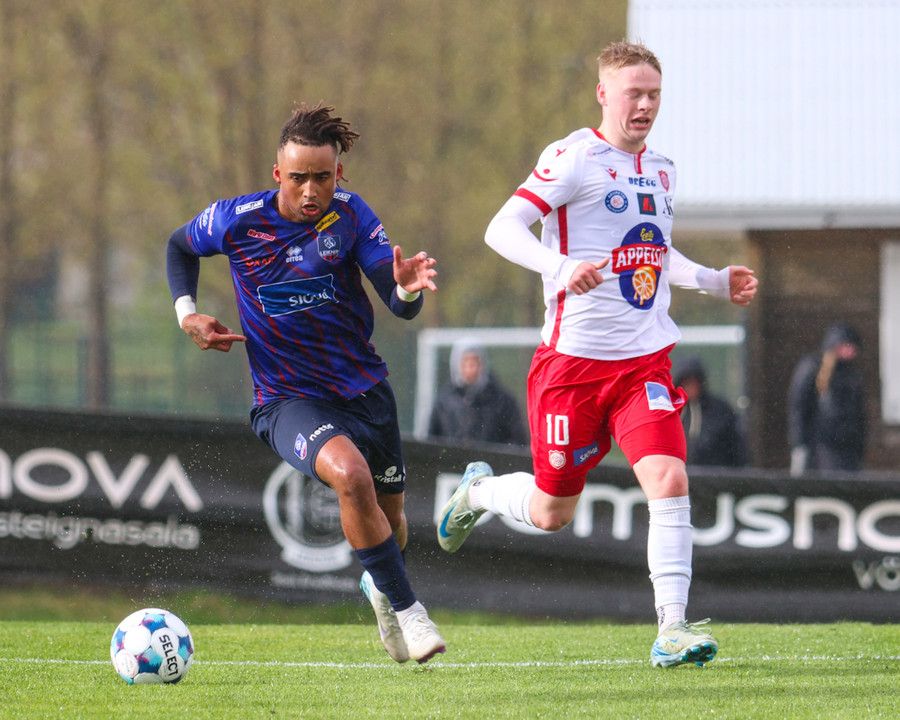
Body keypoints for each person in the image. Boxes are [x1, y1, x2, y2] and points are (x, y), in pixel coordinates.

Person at [436, 41, 757, 668]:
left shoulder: (662, 169)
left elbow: (654, 251)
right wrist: (559, 267)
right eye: (634, 93)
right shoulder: (573, 157)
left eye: (654, 94)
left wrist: (713, 280)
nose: (645, 105)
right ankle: (479, 493)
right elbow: (501, 229)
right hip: (572, 369)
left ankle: (672, 629)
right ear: (604, 95)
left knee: (669, 480)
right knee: (552, 511)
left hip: (643, 365)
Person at [166, 102, 445, 664]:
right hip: (287, 398)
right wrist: (186, 314)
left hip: (365, 391)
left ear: (338, 173)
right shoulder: (236, 220)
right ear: (278, 174)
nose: (310, 190)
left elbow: (398, 303)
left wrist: (406, 287)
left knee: (392, 525)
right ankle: (411, 612)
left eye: (322, 177)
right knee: (350, 475)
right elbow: (179, 246)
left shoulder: (351, 216)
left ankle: (381, 587)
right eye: (298, 178)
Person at [787, 324, 866, 475]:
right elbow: (799, 409)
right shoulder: (812, 368)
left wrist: (859, 446)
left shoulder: (853, 374)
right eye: (845, 345)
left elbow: (859, 414)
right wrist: (799, 445)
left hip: (848, 449)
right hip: (820, 446)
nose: (850, 351)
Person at [428, 338, 528, 446]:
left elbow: (516, 442)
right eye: (465, 361)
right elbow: (432, 442)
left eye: (474, 361)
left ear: (482, 364)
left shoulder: (502, 401)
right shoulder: (444, 403)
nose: (470, 368)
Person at [672, 356, 746, 467]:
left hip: (715, 474)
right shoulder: (670, 411)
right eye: (686, 382)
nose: (691, 387)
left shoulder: (720, 411)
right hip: (677, 473)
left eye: (695, 382)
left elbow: (736, 447)